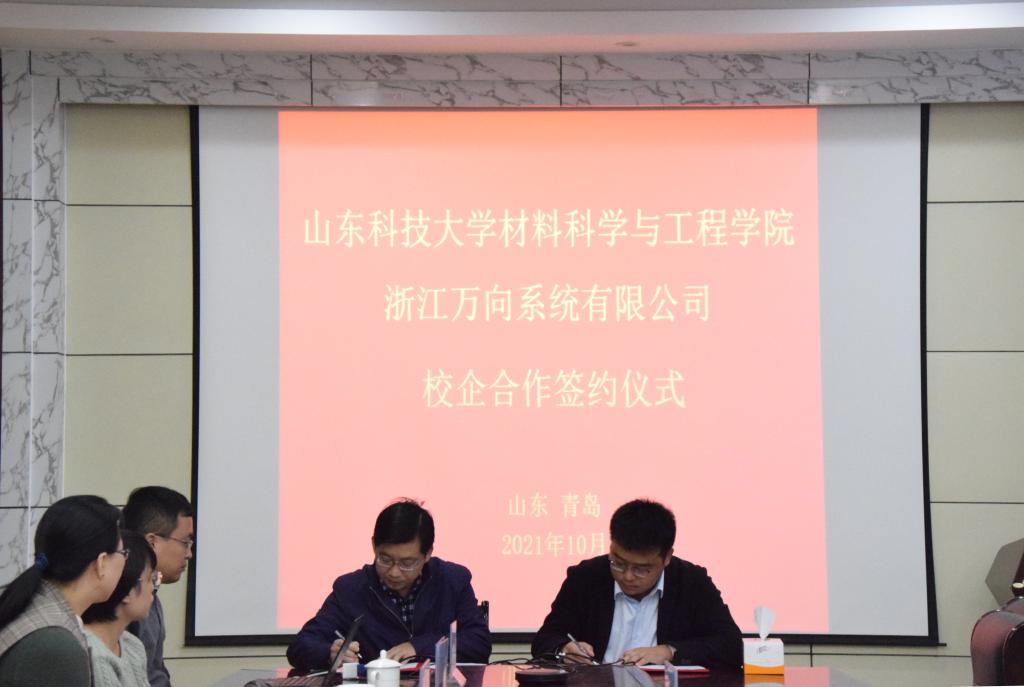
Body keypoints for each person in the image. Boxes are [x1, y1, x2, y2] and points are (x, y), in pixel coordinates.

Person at [531, 499, 742, 669]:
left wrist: (669, 652)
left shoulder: (691, 581)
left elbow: (731, 645)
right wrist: (564, 649)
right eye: (618, 563)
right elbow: (545, 638)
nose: (628, 576)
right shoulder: (586, 576)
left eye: (642, 569)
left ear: (667, 557)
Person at [287, 499, 491, 671]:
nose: (394, 572)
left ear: (428, 553)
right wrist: (329, 654)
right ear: (373, 545)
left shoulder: (452, 580)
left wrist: (417, 647)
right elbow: (300, 646)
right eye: (385, 559)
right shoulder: (351, 589)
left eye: (407, 563)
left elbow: (479, 643)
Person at [0, 495, 126, 687]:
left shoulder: (37, 608)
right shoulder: (55, 646)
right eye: (123, 553)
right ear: (101, 563)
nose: (125, 561)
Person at [123, 486, 194, 687]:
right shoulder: (125, 601)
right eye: (185, 542)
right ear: (152, 541)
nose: (189, 554)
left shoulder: (150, 592)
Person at [83, 530, 159, 687]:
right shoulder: (90, 654)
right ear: (127, 590)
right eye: (150, 579)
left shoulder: (133, 645)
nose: (153, 588)